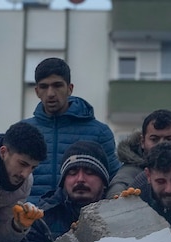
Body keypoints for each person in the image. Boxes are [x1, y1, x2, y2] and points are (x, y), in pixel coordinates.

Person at [23, 58, 120, 203]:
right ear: (37, 91)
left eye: (57, 85)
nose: (50, 93)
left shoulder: (100, 132)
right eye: (44, 87)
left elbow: (113, 181)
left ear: (70, 88)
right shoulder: (24, 132)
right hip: (31, 221)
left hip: (83, 220)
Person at [9, 140, 111, 242]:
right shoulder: (42, 217)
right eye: (72, 173)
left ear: (104, 182)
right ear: (63, 181)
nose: (80, 179)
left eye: (89, 172)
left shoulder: (115, 213)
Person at [106, 109, 171, 197]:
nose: (161, 144)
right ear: (142, 142)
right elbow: (119, 186)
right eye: (154, 139)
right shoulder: (131, 171)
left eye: (169, 139)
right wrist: (118, 197)